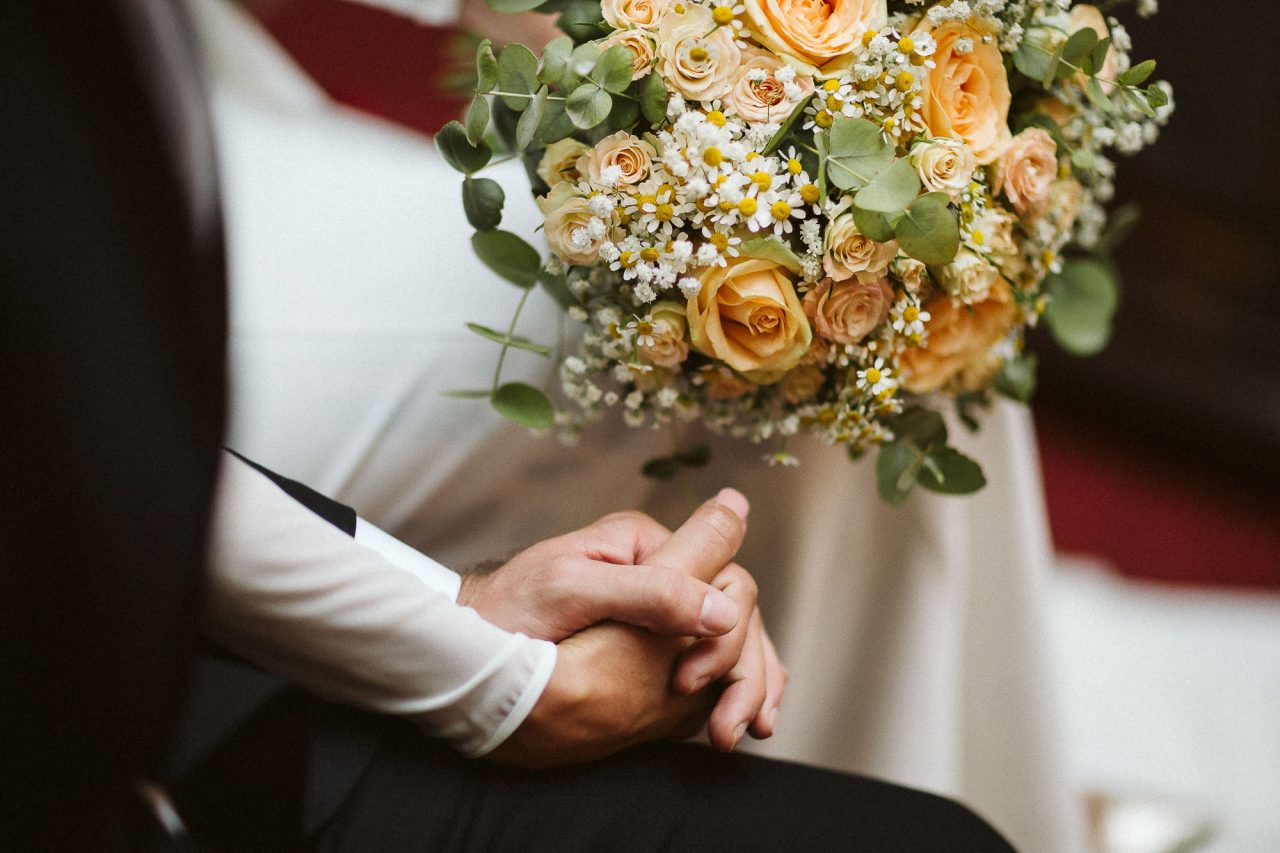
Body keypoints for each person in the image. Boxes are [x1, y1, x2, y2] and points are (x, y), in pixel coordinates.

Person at [1, 1, 1014, 850]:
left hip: (119, 145)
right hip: (78, 378)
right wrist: (495, 673)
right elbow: (87, 458)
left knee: (874, 305)